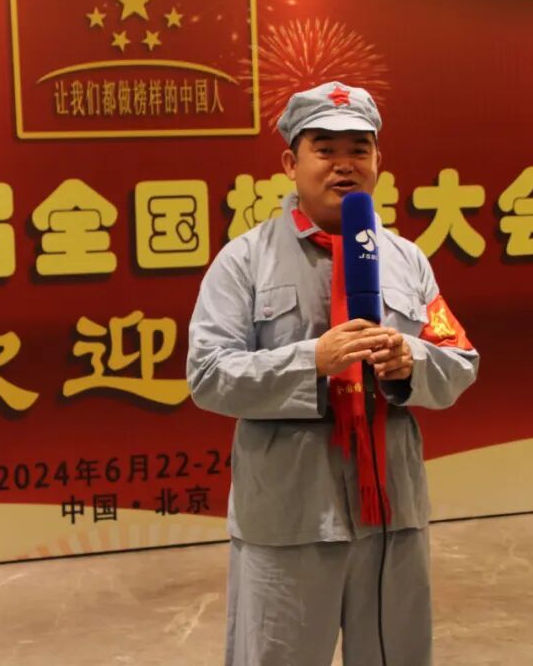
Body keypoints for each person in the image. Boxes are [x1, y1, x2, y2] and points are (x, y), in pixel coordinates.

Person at [187, 81, 479, 666]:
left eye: (358, 150)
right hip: (291, 514)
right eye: (325, 149)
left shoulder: (406, 259)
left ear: (378, 161)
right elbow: (209, 374)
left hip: (391, 511)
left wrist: (410, 364)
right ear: (290, 164)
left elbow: (459, 361)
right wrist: (311, 362)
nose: (344, 165)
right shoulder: (245, 259)